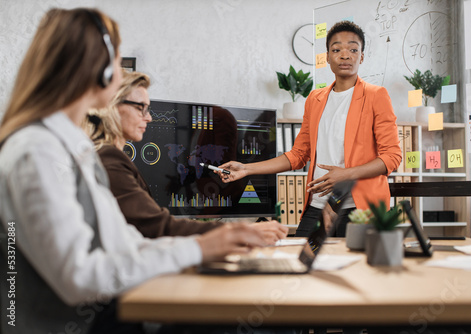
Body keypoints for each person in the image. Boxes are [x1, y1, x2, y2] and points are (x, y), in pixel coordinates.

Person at [0, 8, 271, 334]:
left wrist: (212, 245)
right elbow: (79, 278)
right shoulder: (38, 151)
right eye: (115, 61)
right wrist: (200, 248)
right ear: (98, 69)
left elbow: (127, 243)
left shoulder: (71, 147)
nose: (118, 69)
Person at [217, 20, 402, 237]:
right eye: (337, 49)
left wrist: (345, 175)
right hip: (318, 205)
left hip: (358, 209)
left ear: (361, 57)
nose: (345, 55)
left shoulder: (375, 95)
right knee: (302, 265)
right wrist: (247, 169)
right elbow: (298, 155)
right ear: (327, 57)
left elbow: (392, 156)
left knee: (353, 269)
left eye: (353, 49)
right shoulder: (315, 99)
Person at [83, 70, 287, 243]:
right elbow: (156, 225)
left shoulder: (107, 156)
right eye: (140, 108)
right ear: (110, 106)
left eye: (148, 109)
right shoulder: (108, 158)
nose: (149, 117)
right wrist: (237, 232)